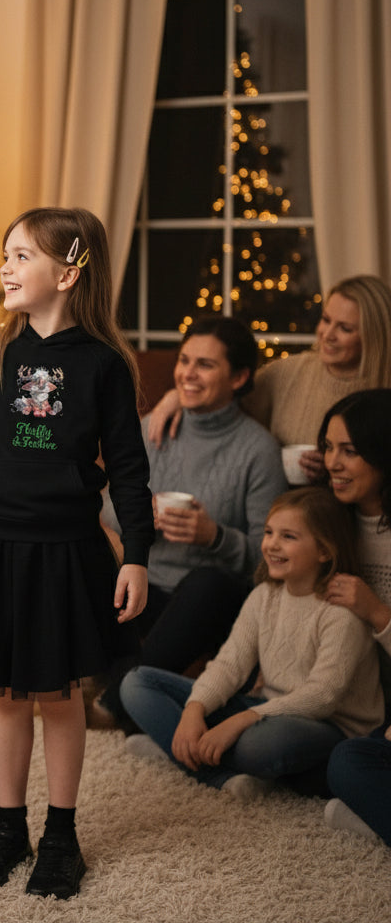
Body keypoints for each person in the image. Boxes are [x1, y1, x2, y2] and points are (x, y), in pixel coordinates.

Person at [0, 207, 154, 899]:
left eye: (22, 257)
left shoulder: (103, 367)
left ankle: (63, 834)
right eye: (7, 255)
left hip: (64, 552)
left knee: (57, 695)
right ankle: (9, 826)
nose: (5, 268)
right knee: (6, 696)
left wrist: (136, 554)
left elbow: (130, 471)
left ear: (68, 273)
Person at [120, 487, 383, 800]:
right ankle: (215, 772)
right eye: (270, 532)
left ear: (325, 550)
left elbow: (322, 696)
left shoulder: (341, 612)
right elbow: (230, 664)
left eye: (289, 536)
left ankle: (175, 750)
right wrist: (194, 709)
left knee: (261, 745)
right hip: (264, 708)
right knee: (136, 683)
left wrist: (241, 721)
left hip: (327, 725)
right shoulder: (264, 596)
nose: (272, 544)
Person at [94, 317, 287, 731]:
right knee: (83, 555)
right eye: (184, 361)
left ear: (239, 377)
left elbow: (270, 557)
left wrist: (214, 536)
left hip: (207, 604)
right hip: (143, 588)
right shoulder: (152, 428)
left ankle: (115, 704)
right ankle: (116, 692)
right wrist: (140, 512)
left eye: (205, 365)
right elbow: (107, 510)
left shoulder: (258, 451)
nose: (188, 374)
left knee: (208, 583)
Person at [147, 275, 391, 482]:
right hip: (286, 507)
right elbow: (224, 395)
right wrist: (177, 396)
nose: (327, 335)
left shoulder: (383, 389)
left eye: (344, 328)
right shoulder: (288, 373)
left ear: (373, 336)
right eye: (326, 320)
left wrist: (331, 469)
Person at [316, 389, 391, 845]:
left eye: (350, 451)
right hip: (356, 696)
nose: (332, 463)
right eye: (327, 447)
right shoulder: (329, 521)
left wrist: (377, 612)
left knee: (344, 766)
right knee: (339, 761)